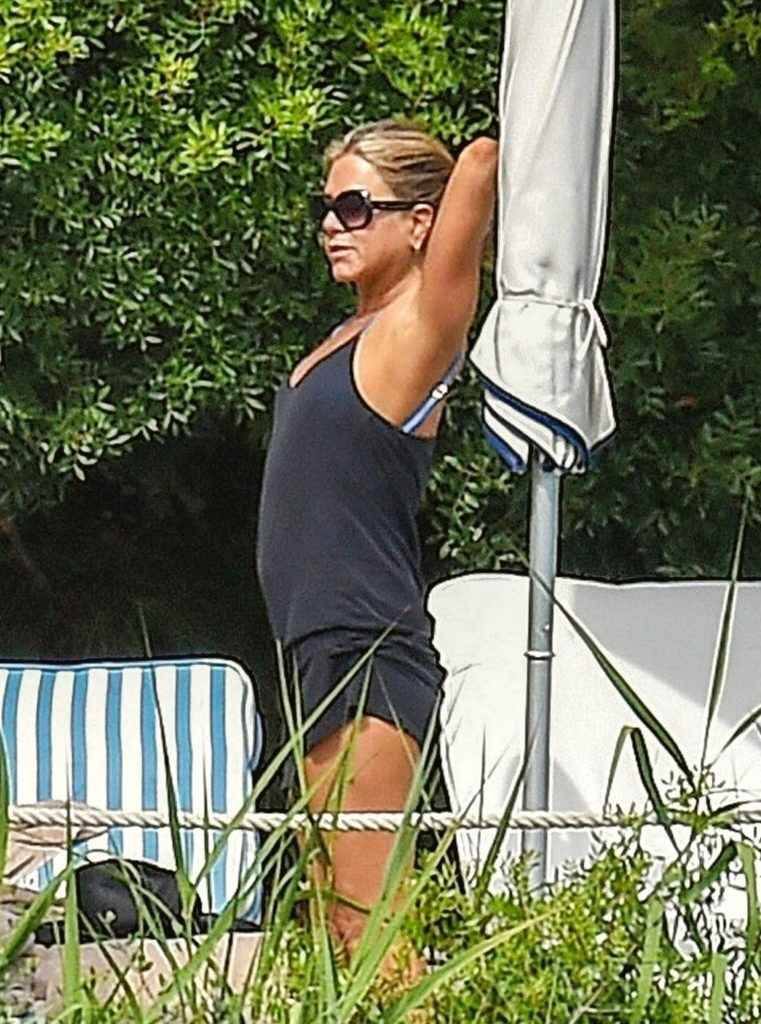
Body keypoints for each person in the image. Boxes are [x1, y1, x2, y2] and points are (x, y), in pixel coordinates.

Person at [256, 118, 497, 982]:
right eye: (327, 207)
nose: (333, 225)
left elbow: (480, 164)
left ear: (420, 223)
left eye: (357, 207)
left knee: (373, 944)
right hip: (316, 650)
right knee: (338, 940)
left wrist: (517, 122)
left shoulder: (418, 328)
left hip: (366, 651)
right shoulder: (351, 333)